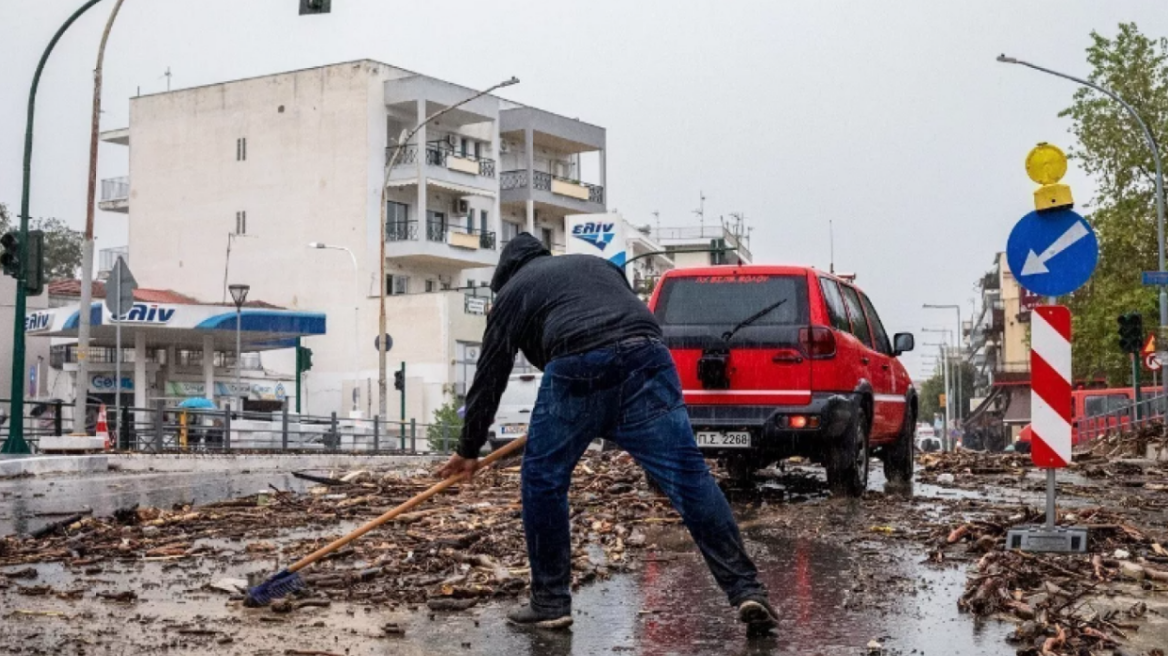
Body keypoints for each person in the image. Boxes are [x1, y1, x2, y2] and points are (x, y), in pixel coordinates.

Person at [438, 233, 776, 633]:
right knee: (688, 477)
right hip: (648, 357)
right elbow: (618, 321)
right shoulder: (597, 266)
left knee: (543, 480)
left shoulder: (512, 293)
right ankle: (747, 589)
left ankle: (550, 602)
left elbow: (490, 375)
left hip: (577, 365)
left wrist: (468, 448)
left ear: (505, 275)